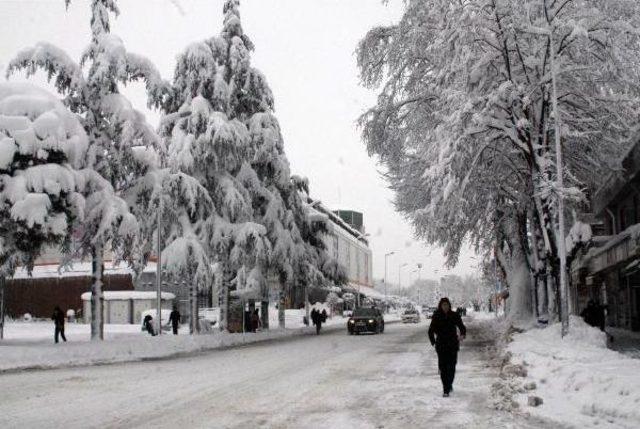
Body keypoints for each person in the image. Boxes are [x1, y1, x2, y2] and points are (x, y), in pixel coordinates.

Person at [428, 297, 466, 397]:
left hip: (452, 345)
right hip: (441, 345)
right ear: (440, 306)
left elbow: (461, 326)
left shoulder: (454, 315)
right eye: (443, 305)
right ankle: (446, 388)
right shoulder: (436, 316)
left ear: (449, 306)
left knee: (452, 367)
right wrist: (433, 342)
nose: (445, 307)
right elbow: (430, 330)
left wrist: (462, 334)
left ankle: (449, 384)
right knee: (443, 367)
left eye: (447, 305)